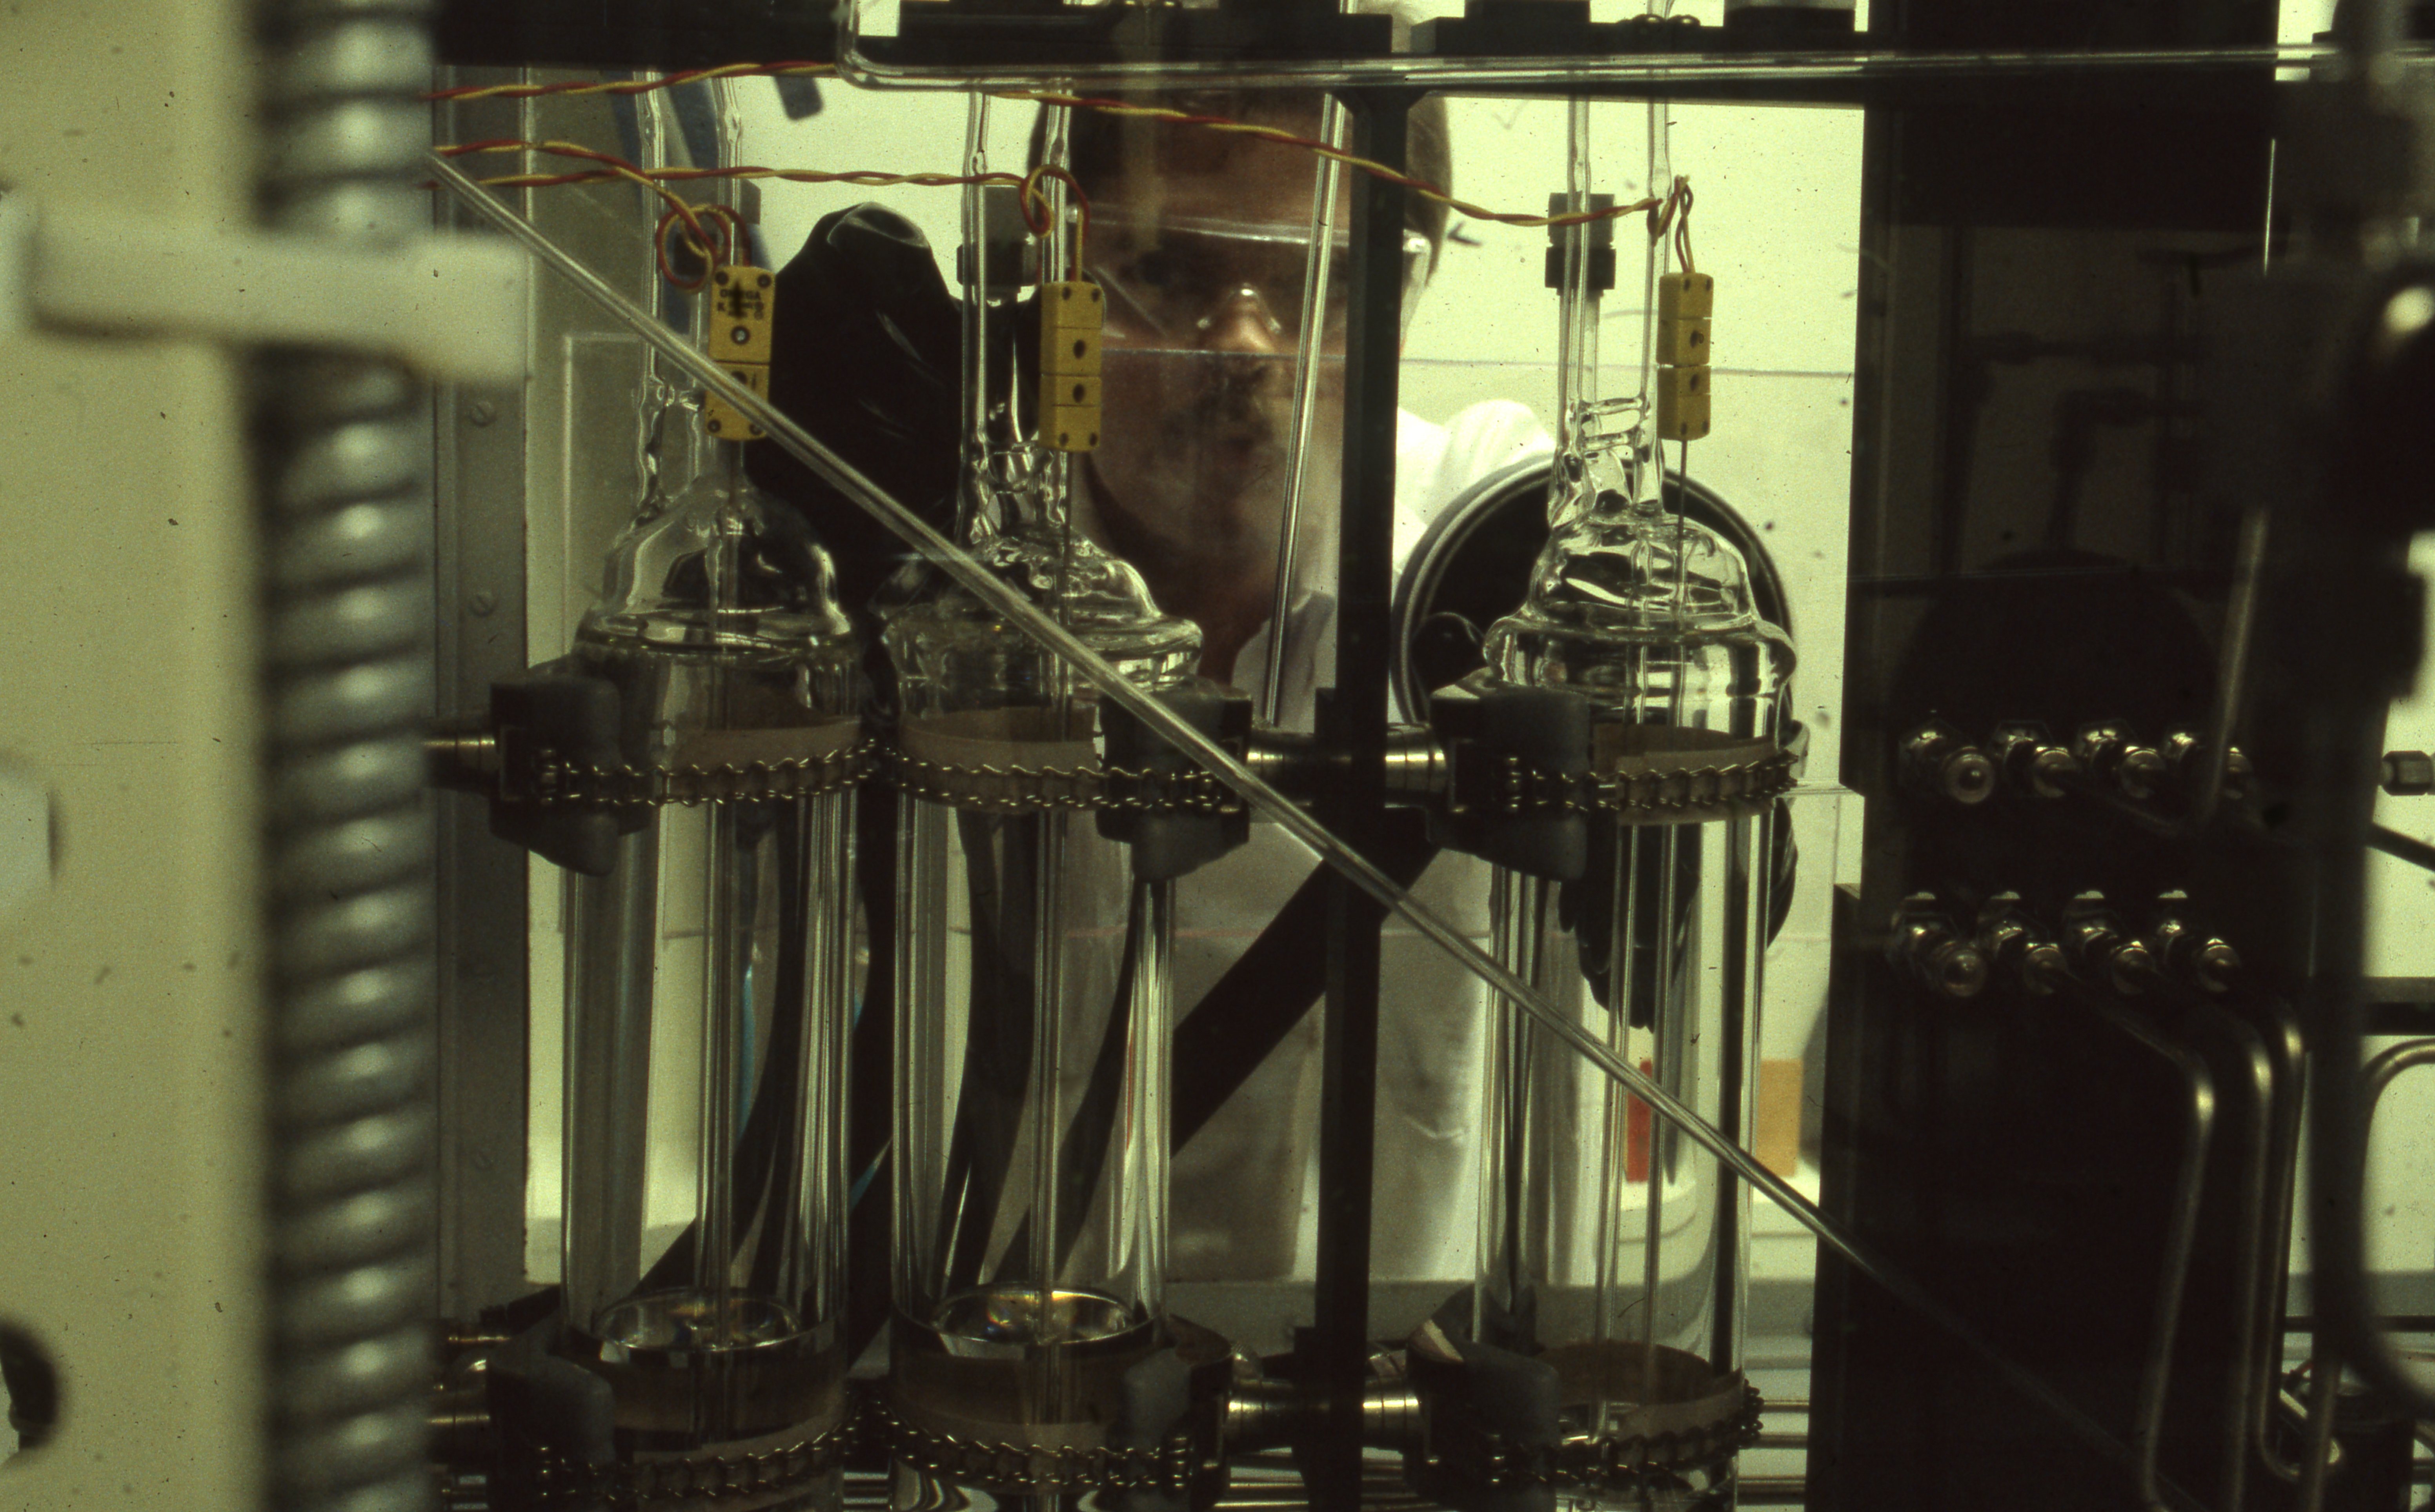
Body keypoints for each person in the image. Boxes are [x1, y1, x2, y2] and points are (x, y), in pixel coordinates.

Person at [1042, 92, 1554, 1284]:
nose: (1244, 347)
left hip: (1377, 1368)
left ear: (1402, 299)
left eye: (1321, 284)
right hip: (1028, 1355)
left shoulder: (1467, 550)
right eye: (1165, 272)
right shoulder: (953, 589)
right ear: (1057, 280)